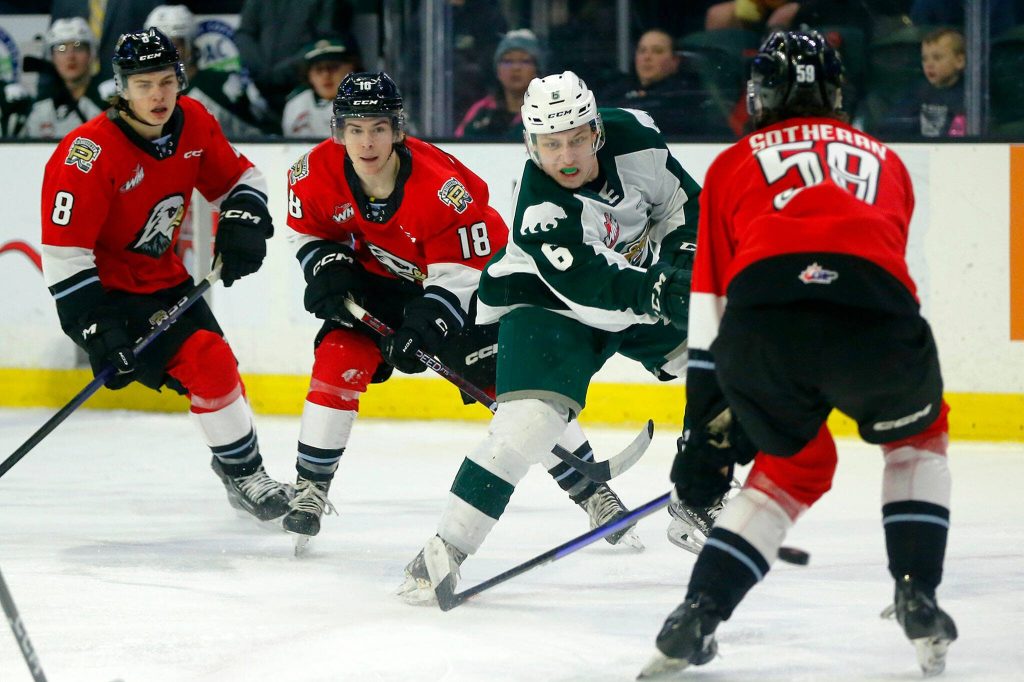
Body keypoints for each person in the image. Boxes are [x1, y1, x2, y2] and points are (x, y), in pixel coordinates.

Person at [640, 31, 957, 679]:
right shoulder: (886, 159)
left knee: (794, 467)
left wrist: (703, 432)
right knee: (918, 440)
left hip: (765, 326)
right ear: (835, 93)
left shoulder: (731, 164)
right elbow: (880, 260)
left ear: (760, 93)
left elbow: (710, 305)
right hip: (875, 319)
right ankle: (917, 590)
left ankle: (697, 613)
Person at [281, 71, 643, 554]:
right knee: (338, 353)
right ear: (338, 132)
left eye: (379, 129)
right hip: (379, 284)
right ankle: (310, 487)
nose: (367, 142)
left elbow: (466, 272)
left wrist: (426, 324)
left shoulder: (442, 188)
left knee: (508, 382)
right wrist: (326, 264)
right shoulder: (311, 172)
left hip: (470, 285)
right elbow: (308, 230)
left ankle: (592, 491)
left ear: (397, 129)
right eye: (356, 129)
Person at [401, 70, 702, 606]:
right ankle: (444, 550)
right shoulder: (541, 210)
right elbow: (591, 289)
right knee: (529, 423)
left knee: (720, 362)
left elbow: (683, 203)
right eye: (550, 144)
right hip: (546, 303)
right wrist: (660, 290)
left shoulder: (636, 135)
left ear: (597, 131)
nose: (565, 157)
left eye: (577, 140)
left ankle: (702, 488)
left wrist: (681, 258)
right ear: (531, 144)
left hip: (633, 285)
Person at [39, 28, 291, 523]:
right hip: (110, 294)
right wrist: (97, 328)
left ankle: (241, 473)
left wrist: (241, 220)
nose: (157, 95)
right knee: (209, 361)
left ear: (180, 79)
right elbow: (66, 255)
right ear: (121, 89)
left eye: (165, 81)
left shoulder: (193, 120)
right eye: (143, 85)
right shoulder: (86, 155)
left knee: (217, 366)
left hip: (165, 279)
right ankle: (245, 473)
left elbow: (241, 179)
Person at [144, 4, 278, 138]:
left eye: (173, 46)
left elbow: (266, 136)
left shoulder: (222, 87)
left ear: (189, 47)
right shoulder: (141, 94)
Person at [601, 28, 732, 138]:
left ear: (675, 60)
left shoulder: (685, 97)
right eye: (642, 50)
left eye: (657, 51)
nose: (647, 57)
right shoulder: (615, 91)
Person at [234, 0, 355, 118]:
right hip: (260, 86)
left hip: (303, 89)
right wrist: (261, 69)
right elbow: (244, 34)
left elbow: (325, 42)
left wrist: (281, 72)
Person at [22, 17, 108, 139]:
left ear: (91, 54)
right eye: (61, 48)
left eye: (78, 47)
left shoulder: (108, 103)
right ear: (51, 57)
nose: (70, 56)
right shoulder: (41, 107)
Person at [454, 28, 542, 141]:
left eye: (525, 61)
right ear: (498, 71)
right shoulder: (481, 111)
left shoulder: (550, 112)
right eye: (508, 61)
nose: (516, 68)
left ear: (536, 70)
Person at [878, 27, 966, 138]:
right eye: (924, 59)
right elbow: (892, 123)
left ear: (959, 61)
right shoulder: (918, 92)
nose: (929, 64)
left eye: (937, 58)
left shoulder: (968, 96)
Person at [282, 36, 360, 138]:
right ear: (309, 75)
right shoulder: (297, 104)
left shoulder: (370, 101)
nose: (326, 75)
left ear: (351, 68)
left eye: (333, 67)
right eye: (318, 69)